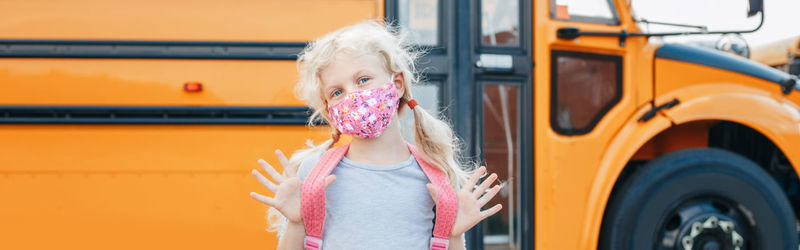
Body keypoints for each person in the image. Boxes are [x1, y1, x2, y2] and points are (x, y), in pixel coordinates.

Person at [249, 20, 503, 250]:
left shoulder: (435, 175)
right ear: (330, 110)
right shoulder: (314, 174)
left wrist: (454, 236)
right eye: (337, 92)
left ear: (397, 84)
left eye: (363, 80)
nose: (352, 95)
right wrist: (296, 223)